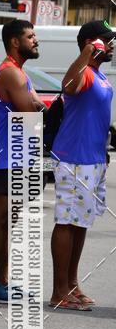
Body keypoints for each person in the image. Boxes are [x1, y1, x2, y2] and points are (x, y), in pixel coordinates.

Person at [50, 20, 114, 310]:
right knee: (67, 222)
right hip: (73, 157)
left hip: (93, 158)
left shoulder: (100, 75)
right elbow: (67, 86)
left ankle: (72, 285)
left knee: (81, 223)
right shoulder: (85, 73)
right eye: (106, 40)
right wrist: (87, 54)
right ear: (91, 42)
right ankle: (58, 291)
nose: (112, 45)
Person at [0, 20, 45, 302]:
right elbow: (32, 111)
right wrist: (37, 108)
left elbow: (36, 107)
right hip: (7, 156)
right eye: (30, 36)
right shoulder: (11, 73)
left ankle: (2, 281)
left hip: (19, 156)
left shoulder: (19, 73)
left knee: (11, 220)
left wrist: (37, 108)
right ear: (15, 42)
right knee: (0, 218)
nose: (36, 40)